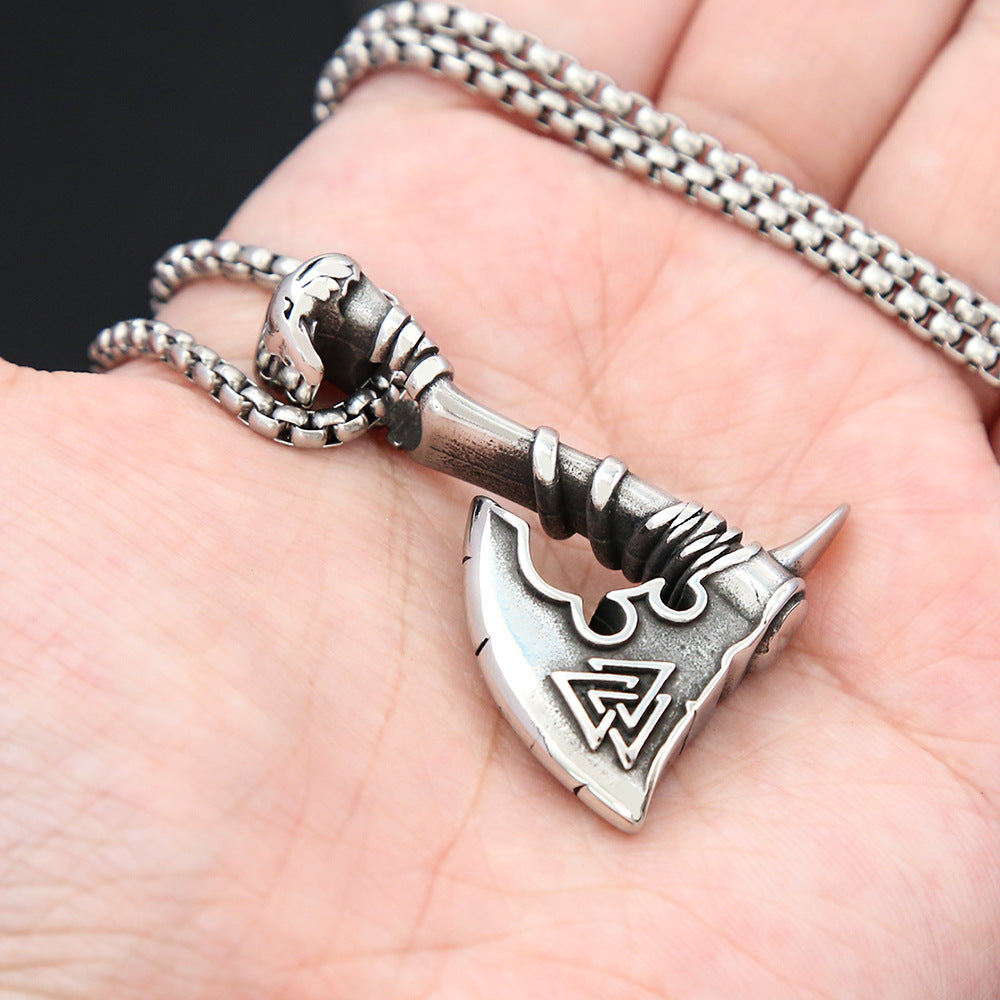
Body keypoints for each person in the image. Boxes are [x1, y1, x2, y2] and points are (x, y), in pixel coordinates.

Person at [2, 1, 998, 996]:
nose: (379, 316)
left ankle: (728, 588)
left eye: (363, 305)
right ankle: (728, 590)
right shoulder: (410, 413)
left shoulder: (417, 408)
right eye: (357, 316)